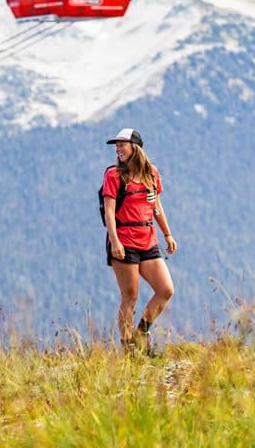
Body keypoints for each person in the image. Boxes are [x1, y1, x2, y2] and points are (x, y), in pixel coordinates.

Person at [102, 128, 177, 353]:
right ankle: (128, 349)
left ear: (135, 147)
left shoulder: (151, 173)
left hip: (148, 239)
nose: (118, 149)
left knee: (165, 289)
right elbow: (109, 210)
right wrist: (115, 241)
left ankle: (140, 334)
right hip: (124, 240)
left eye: (122, 145)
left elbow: (156, 206)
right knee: (130, 296)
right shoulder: (113, 175)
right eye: (116, 146)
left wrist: (168, 234)